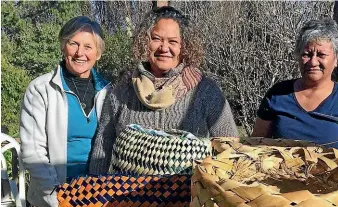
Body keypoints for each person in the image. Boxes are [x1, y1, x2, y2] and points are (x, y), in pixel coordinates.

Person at [89, 6, 238, 174]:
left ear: (184, 47)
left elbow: (230, 149)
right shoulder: (122, 91)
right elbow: (102, 146)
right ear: (145, 41)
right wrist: (95, 189)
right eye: (156, 39)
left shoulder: (206, 92)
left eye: (173, 41)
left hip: (189, 198)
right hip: (129, 199)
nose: (164, 48)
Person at [20, 16, 111, 207]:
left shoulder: (109, 91)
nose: (80, 53)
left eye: (88, 46)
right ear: (63, 47)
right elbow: (33, 150)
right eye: (73, 44)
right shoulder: (41, 89)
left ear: (99, 53)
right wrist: (59, 198)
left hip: (101, 195)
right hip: (57, 194)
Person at [252, 19, 338, 153]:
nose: (313, 62)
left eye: (321, 55)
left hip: (329, 173)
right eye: (306, 54)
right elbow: (255, 146)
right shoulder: (277, 94)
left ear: (335, 60)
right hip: (277, 172)